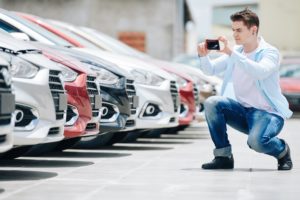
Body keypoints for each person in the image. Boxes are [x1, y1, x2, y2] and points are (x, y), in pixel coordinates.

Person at [197, 8, 293, 170]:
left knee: (256, 142)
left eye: (239, 30)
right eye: (233, 30)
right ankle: (223, 157)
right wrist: (203, 55)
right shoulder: (237, 52)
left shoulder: (269, 52)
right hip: (243, 112)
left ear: (253, 29)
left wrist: (230, 52)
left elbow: (259, 72)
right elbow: (210, 70)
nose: (234, 35)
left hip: (269, 114)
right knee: (213, 103)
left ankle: (282, 151)